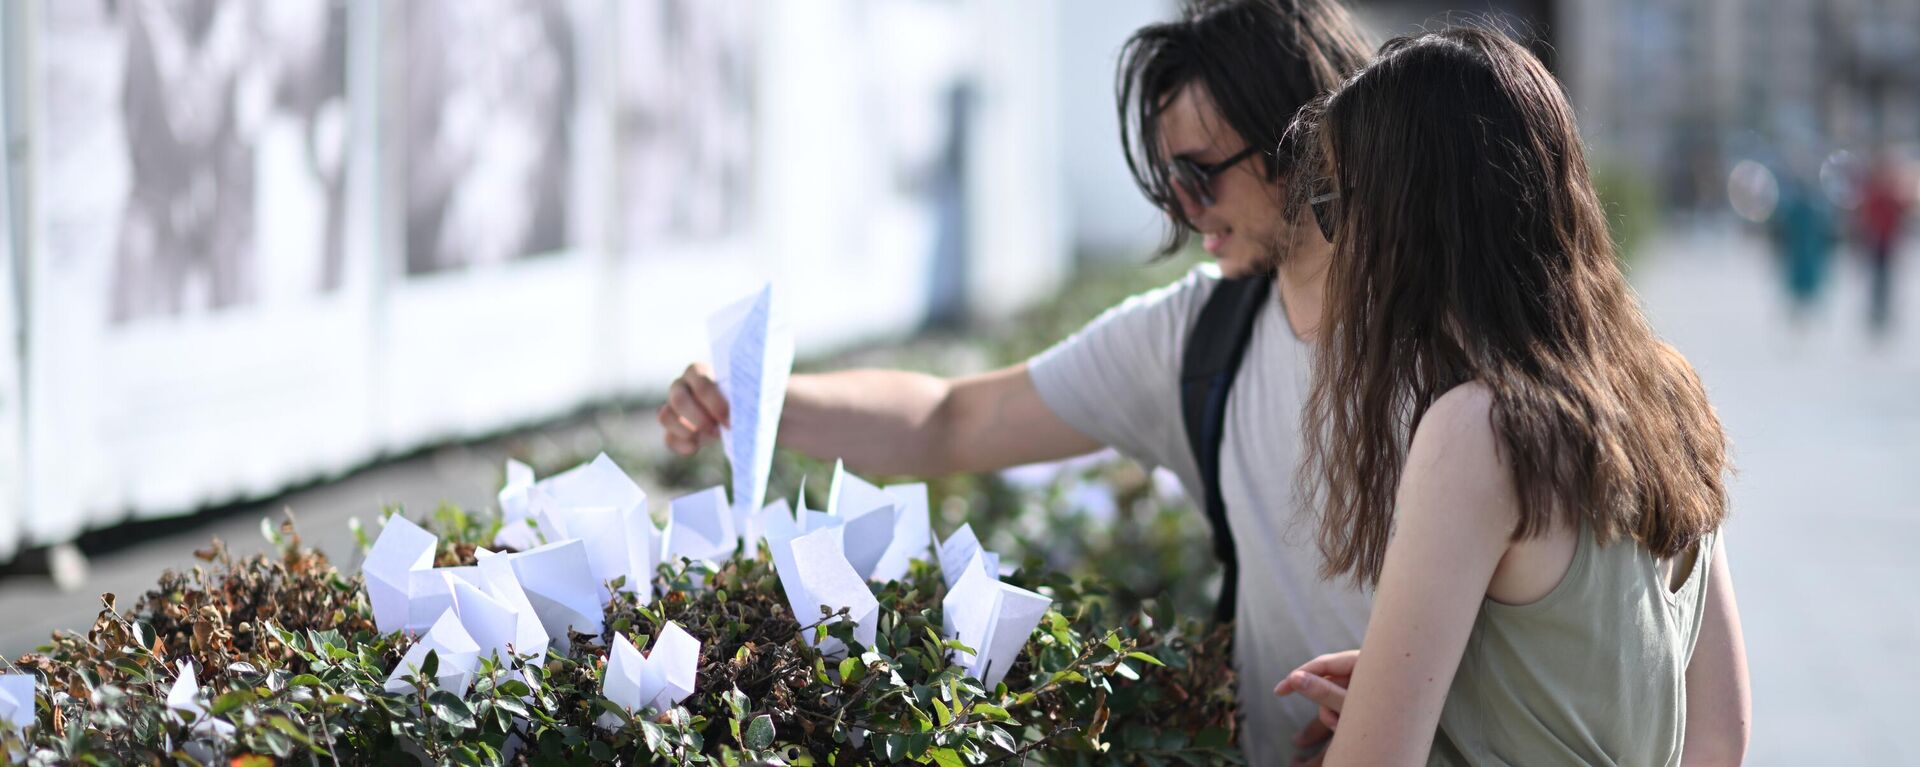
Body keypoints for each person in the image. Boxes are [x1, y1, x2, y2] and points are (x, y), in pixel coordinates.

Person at [657, 1, 1373, 761]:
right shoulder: (1194, 337)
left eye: (1199, 175)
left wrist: (1400, 692)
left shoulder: (1461, 335)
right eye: (1168, 179)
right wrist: (753, 397)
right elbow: (949, 418)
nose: (1181, 209)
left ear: (1305, 141)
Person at [1268, 29, 1751, 764]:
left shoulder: (1482, 432)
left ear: (1408, 220)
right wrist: (1441, 689)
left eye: (1336, 208)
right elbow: (1720, 736)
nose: (1338, 243)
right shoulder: (1664, 391)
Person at [1858, 150, 1910, 340]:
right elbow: (1868, 216)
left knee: (1885, 279)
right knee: (1877, 279)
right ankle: (1876, 312)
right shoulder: (1875, 193)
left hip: (1887, 243)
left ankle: (1883, 311)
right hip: (1876, 242)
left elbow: (1900, 212)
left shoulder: (1888, 193)